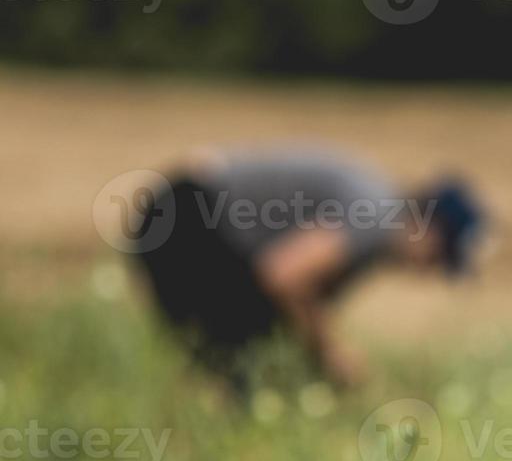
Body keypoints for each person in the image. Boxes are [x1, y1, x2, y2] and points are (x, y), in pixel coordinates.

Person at [129, 148, 490, 388]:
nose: (430, 273)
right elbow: (283, 277)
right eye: (440, 259)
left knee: (243, 358)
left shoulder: (375, 215)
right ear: (429, 228)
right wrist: (331, 353)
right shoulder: (376, 220)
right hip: (187, 220)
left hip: (185, 215)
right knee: (244, 358)